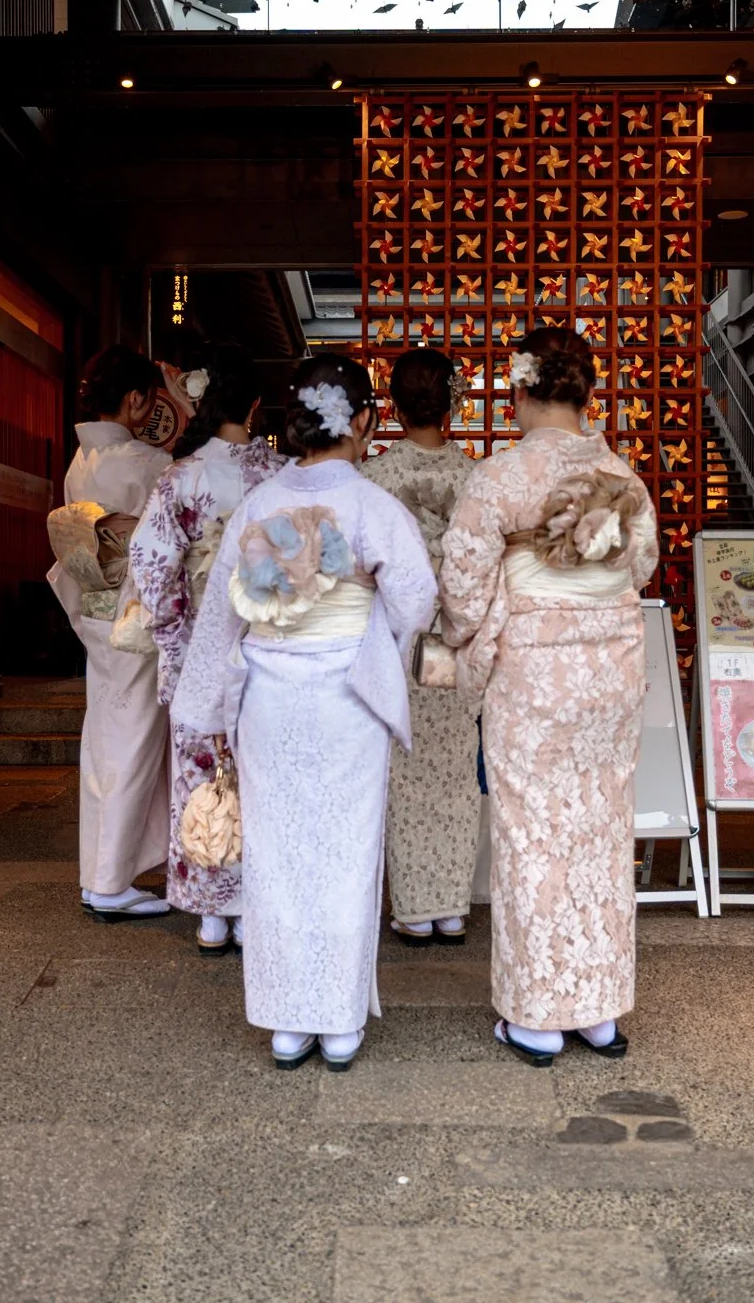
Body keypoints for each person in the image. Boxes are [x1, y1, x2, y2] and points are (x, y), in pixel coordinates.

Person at [173, 354, 436, 1072]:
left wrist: (202, 702)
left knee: (280, 853)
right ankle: (338, 1019)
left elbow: (225, 610)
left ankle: (288, 1021)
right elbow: (416, 598)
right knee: (347, 852)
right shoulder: (373, 506)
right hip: (347, 693)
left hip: (270, 693)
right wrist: (369, 629)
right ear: (360, 422)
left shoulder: (259, 503)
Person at [440, 326, 659, 1067]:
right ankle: (596, 1011)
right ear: (588, 392)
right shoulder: (621, 474)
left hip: (534, 670)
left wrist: (476, 627)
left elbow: (464, 583)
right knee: (600, 826)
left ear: (520, 390)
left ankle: (538, 1014)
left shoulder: (499, 476)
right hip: (611, 669)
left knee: (532, 831)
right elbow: (642, 568)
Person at [130, 344, 283, 955]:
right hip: (265, 641)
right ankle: (248, 907)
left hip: (198, 641)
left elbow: (150, 562)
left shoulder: (181, 478)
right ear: (253, 405)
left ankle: (209, 914)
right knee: (257, 773)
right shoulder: (278, 476)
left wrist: (173, 635)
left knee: (199, 776)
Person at [47, 345, 172, 921]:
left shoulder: (81, 462)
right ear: (135, 398)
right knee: (136, 739)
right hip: (136, 610)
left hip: (98, 604)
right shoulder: (142, 462)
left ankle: (101, 872)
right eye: (150, 398)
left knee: (105, 738)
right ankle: (111, 880)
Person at [365, 349, 480, 945]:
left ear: (392, 405)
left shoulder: (376, 479)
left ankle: (412, 906)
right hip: (458, 641)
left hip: (397, 641)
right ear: (454, 402)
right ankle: (452, 907)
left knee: (405, 771)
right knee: (457, 772)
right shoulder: (476, 480)